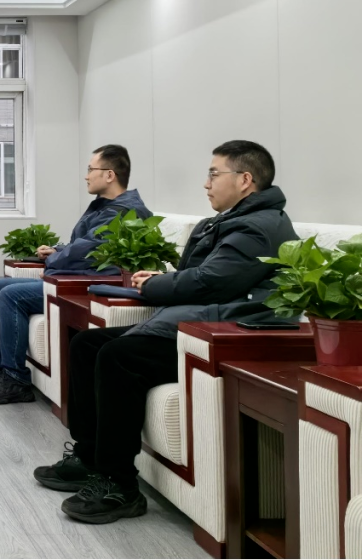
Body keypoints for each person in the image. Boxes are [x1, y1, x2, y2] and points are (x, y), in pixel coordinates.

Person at [34, 140, 298, 524]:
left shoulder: (258, 228)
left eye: (214, 174)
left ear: (245, 180)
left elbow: (210, 283)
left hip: (220, 332)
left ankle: (119, 485)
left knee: (119, 356)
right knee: (87, 344)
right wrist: (164, 280)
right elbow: (202, 277)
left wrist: (155, 285)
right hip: (199, 320)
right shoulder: (232, 221)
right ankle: (89, 458)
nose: (206, 183)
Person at [0, 144, 151, 404]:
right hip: (78, 276)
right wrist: (57, 250)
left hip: (88, 284)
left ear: (109, 175)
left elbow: (84, 251)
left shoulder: (123, 212)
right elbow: (84, 244)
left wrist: (55, 259)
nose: (86, 175)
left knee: (11, 296)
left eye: (91, 169)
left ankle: (15, 379)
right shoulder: (106, 206)